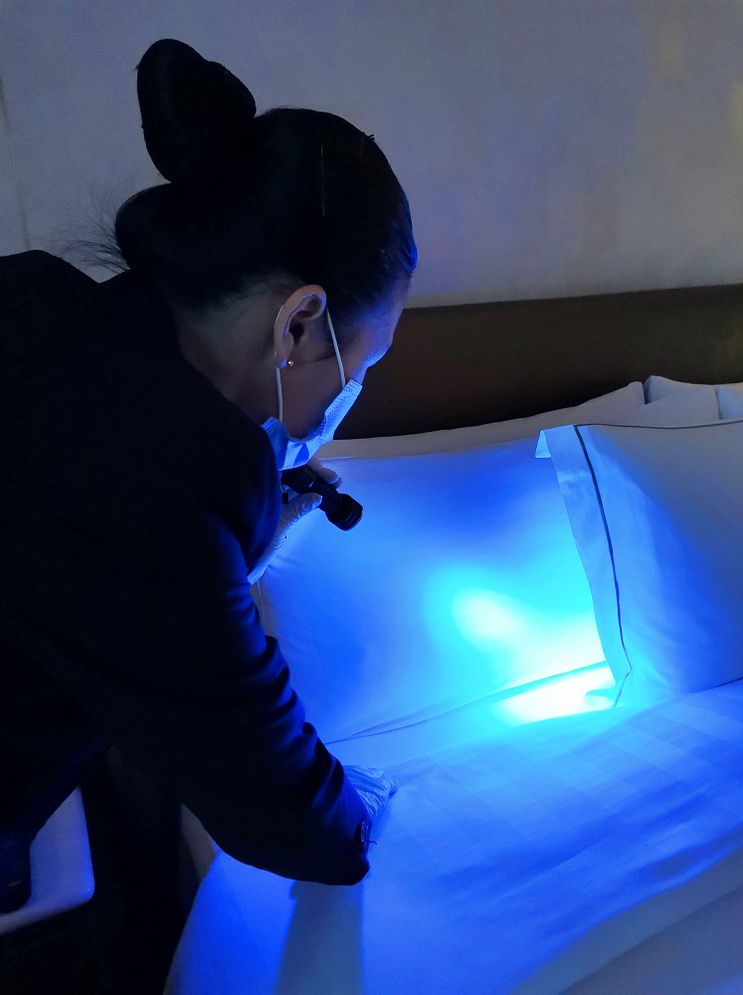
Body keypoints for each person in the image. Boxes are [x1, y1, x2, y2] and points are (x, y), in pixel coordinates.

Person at [0, 37, 417, 913]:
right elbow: (284, 808)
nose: (352, 396)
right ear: (301, 323)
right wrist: (370, 816)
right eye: (362, 365)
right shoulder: (177, 474)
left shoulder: (42, 305)